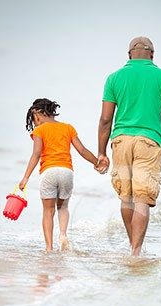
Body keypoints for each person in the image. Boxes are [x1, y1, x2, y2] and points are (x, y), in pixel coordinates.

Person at [98, 36, 161, 256]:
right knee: (142, 198)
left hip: (121, 140)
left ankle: (132, 246)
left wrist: (101, 152)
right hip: (149, 142)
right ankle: (136, 251)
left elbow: (106, 120)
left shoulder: (114, 78)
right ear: (152, 55)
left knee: (126, 197)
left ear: (128, 55)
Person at [19, 98, 107, 252]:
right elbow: (82, 150)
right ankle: (63, 235)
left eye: (34, 119)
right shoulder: (68, 128)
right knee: (63, 206)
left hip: (49, 172)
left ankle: (49, 248)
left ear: (37, 113)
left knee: (48, 211)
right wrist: (96, 163)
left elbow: (36, 154)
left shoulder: (39, 131)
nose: (35, 123)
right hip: (67, 172)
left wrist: (25, 177)